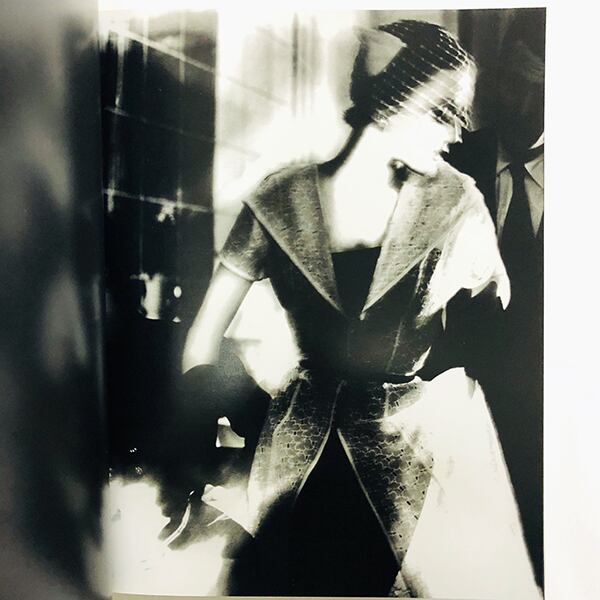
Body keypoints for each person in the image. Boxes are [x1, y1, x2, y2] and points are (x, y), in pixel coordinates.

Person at [182, 20, 541, 598]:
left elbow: (493, 316)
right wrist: (241, 414)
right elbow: (203, 339)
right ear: (390, 104)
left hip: (409, 457)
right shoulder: (279, 197)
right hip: (297, 454)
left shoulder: (456, 201)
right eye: (443, 112)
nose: (458, 134)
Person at [444, 9, 545, 587]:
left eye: (540, 88)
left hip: (557, 431)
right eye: (512, 82)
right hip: (459, 417)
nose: (521, 103)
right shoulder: (451, 163)